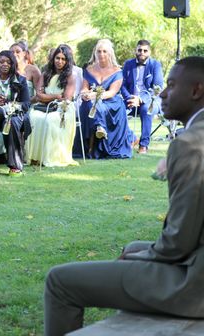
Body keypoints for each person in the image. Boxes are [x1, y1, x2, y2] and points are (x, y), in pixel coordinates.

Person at [44, 56, 204, 336]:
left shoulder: (190, 144)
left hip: (193, 287)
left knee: (59, 281)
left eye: (171, 85)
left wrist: (144, 257)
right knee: (132, 246)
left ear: (196, 91)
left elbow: (179, 241)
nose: (163, 93)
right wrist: (139, 251)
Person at [79, 39, 133, 159]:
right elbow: (84, 88)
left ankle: (96, 140)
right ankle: (95, 136)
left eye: (104, 51)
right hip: (92, 101)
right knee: (88, 105)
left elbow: (111, 93)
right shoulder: (88, 69)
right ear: (95, 53)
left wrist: (94, 95)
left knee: (94, 105)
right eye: (99, 51)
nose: (101, 54)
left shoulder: (117, 71)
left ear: (110, 53)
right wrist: (85, 94)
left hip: (111, 103)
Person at [26, 46, 77, 167]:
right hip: (43, 107)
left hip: (63, 108)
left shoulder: (71, 76)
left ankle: (50, 157)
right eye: (57, 58)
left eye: (63, 59)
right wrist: (56, 96)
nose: (60, 61)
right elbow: (38, 95)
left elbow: (66, 98)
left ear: (67, 61)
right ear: (53, 59)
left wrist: (48, 96)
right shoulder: (45, 74)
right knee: (33, 117)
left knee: (50, 120)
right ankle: (35, 157)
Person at [121, 39, 164, 154]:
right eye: (139, 50)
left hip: (150, 101)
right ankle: (132, 138)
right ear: (136, 50)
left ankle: (143, 145)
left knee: (146, 110)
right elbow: (122, 84)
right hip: (130, 99)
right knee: (118, 110)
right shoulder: (128, 64)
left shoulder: (155, 65)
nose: (142, 52)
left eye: (145, 50)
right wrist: (129, 98)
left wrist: (140, 99)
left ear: (149, 52)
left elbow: (157, 87)